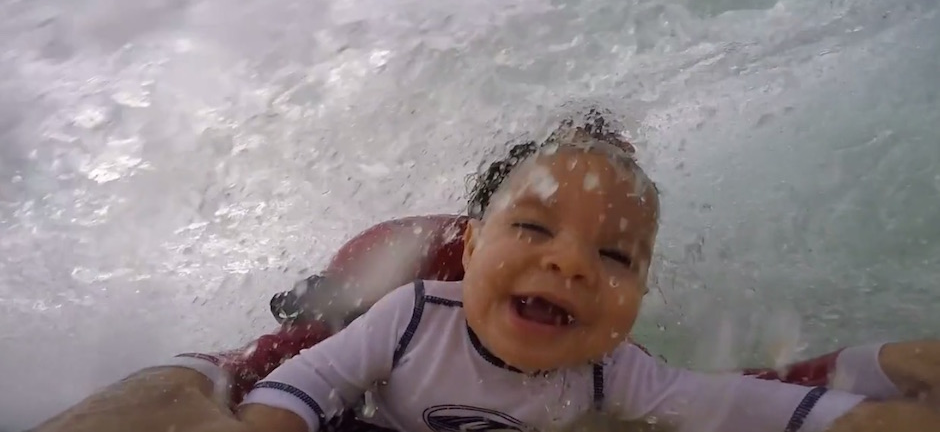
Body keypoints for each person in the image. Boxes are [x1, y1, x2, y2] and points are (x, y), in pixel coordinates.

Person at [33, 111, 940, 432]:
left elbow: (702, 401)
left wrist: (859, 390)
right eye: (544, 218)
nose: (573, 255)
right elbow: (294, 356)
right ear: (476, 232)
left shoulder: (585, 324)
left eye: (615, 245)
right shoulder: (413, 261)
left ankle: (879, 362)